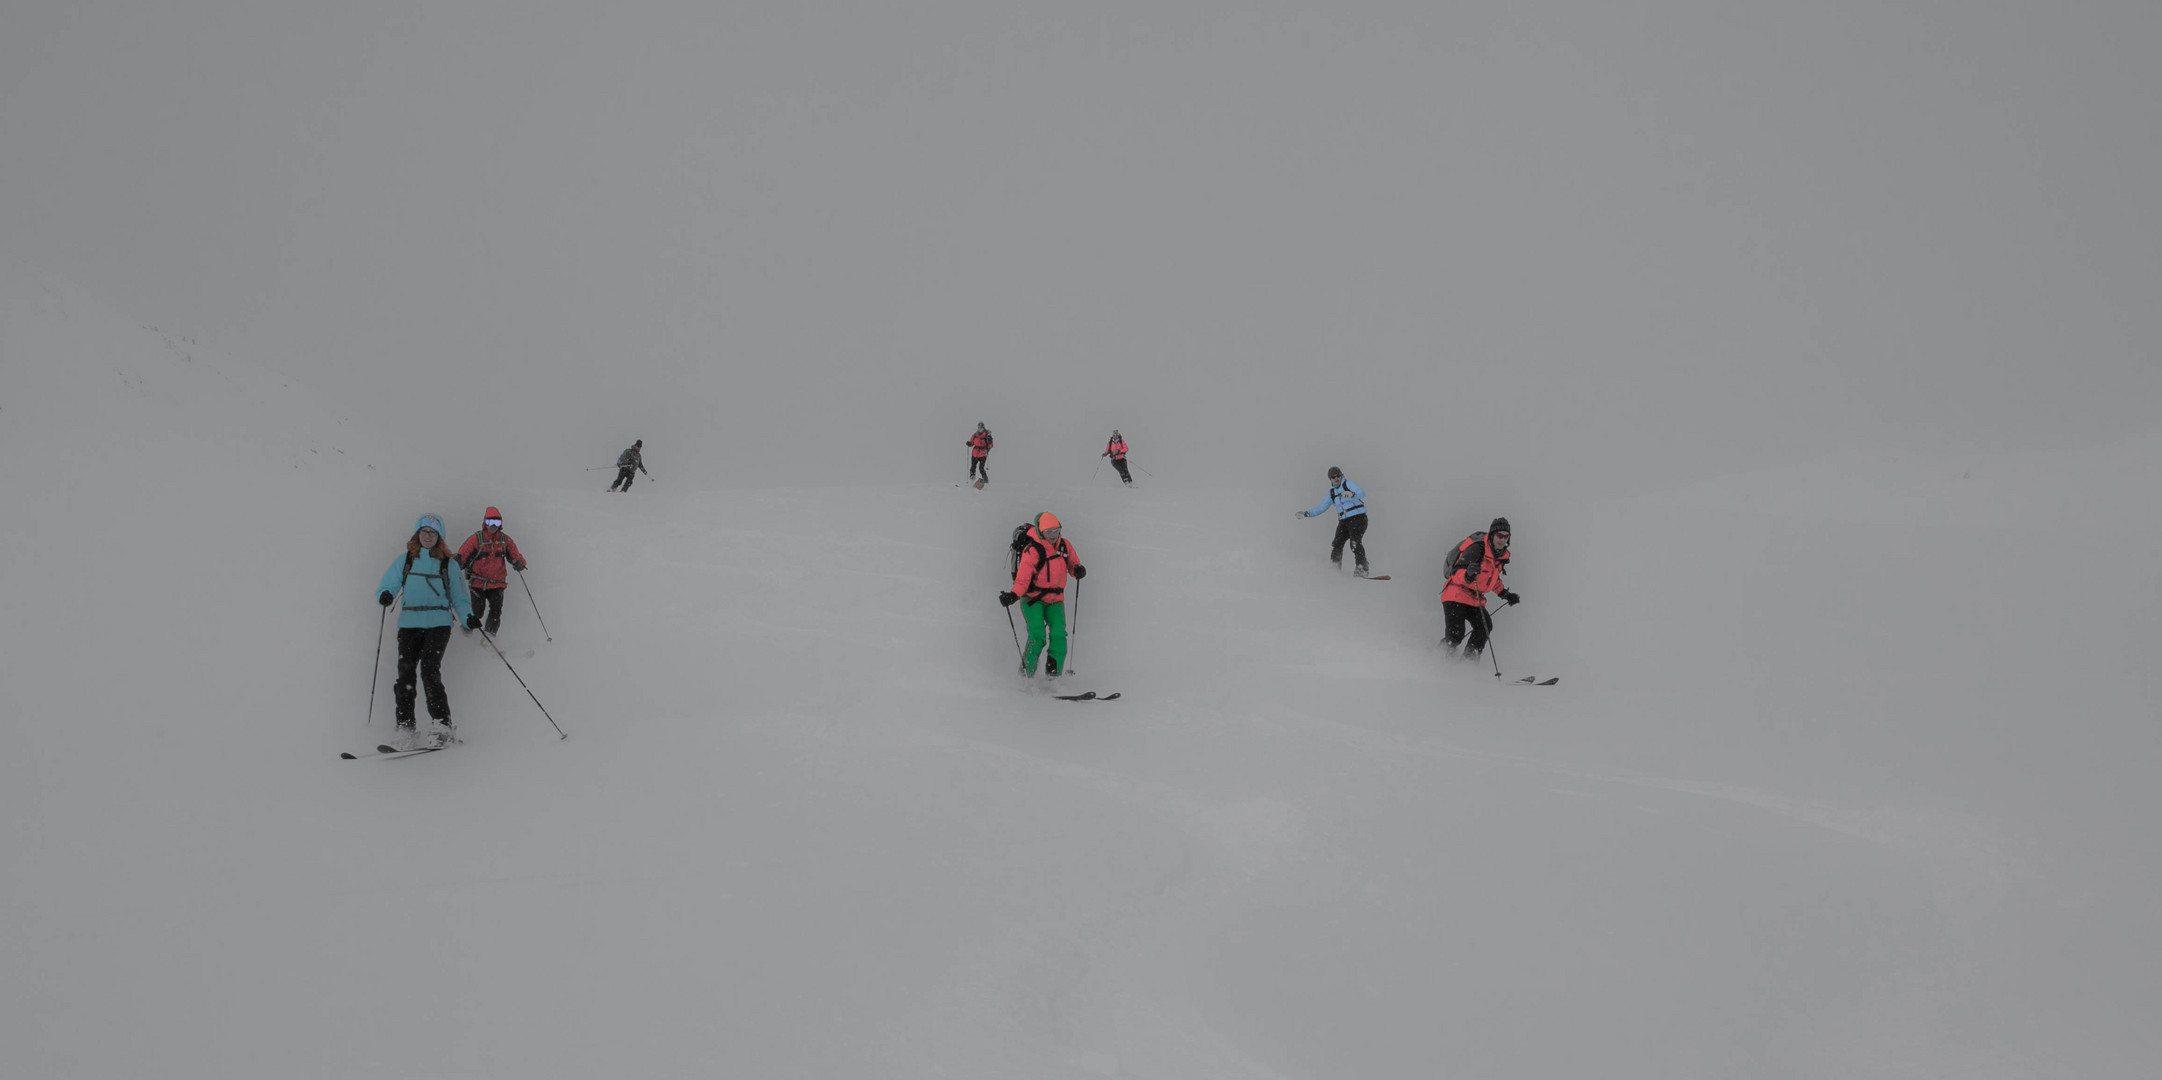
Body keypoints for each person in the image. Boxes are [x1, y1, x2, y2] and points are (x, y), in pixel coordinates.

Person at [376, 514, 477, 747]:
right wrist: (386, 594)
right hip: (409, 624)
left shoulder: (448, 564)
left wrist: (468, 618)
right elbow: (388, 583)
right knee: (405, 674)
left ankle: (442, 724)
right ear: (417, 534)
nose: (428, 536)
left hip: (439, 623)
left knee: (430, 669)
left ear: (439, 536)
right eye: (424, 531)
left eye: (432, 532)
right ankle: (405, 727)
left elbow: (460, 598)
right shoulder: (406, 561)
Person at [999, 511, 1086, 679]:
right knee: (1037, 636)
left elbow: (1072, 564)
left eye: (1056, 530)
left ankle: (1053, 676)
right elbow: (1023, 578)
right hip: (1032, 600)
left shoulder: (1064, 546)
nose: (1053, 535)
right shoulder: (1032, 550)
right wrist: (1013, 595)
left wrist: (1077, 570)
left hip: (1056, 601)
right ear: (1041, 532)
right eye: (1049, 532)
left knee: (1059, 636)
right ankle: (1025, 676)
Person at [1439, 517, 1521, 661]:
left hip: (1474, 598)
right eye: (1499, 535)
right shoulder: (1477, 548)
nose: (1502, 540)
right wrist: (1468, 575)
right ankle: (1438, 659)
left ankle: (1468, 663)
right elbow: (1456, 573)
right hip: (1455, 594)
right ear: (1492, 535)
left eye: (1506, 536)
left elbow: (1492, 580)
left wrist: (1506, 594)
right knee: (1456, 634)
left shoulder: (1499, 556)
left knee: (1484, 627)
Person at [456, 506, 528, 636]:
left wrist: (519, 563)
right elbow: (463, 555)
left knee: (495, 611)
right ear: (485, 522)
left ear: (501, 524)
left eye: (497, 522)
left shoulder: (505, 540)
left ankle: (490, 636)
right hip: (478, 582)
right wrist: (455, 564)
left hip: (497, 583)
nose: (493, 526)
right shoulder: (477, 539)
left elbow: (515, 555)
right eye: (490, 522)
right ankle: (466, 634)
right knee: (477, 611)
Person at [1296, 466, 1371, 576]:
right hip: (1344, 521)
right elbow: (1321, 507)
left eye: (1338, 476)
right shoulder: (1331, 493)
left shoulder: (1348, 484)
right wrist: (1307, 513)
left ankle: (1362, 567)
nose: (1336, 478)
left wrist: (1352, 494)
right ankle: (1334, 569)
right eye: (1333, 477)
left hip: (1358, 518)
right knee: (1337, 544)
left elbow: (1361, 493)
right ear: (1330, 479)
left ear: (1341, 476)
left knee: (1354, 542)